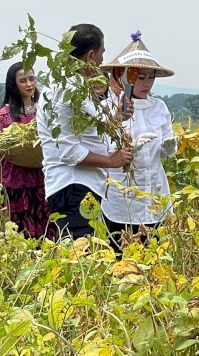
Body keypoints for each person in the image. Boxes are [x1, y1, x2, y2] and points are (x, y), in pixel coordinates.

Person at [37, 24, 133, 238]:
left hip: (83, 187)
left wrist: (116, 117)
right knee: (81, 258)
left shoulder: (76, 87)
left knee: (89, 257)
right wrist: (112, 160)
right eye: (102, 53)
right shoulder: (63, 92)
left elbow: (87, 127)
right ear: (91, 55)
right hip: (73, 187)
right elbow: (69, 152)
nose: (102, 61)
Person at [99, 30, 178, 244]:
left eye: (151, 78)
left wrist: (168, 148)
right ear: (125, 77)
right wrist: (130, 147)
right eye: (140, 78)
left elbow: (165, 147)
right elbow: (103, 149)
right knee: (122, 253)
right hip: (122, 194)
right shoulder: (107, 109)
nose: (147, 83)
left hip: (154, 190)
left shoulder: (159, 107)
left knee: (155, 253)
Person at [0, 61, 54, 239]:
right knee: (17, 233)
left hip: (42, 179)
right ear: (14, 84)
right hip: (15, 184)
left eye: (32, 79)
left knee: (45, 231)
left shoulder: (45, 110)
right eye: (23, 80)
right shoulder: (4, 115)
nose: (29, 84)